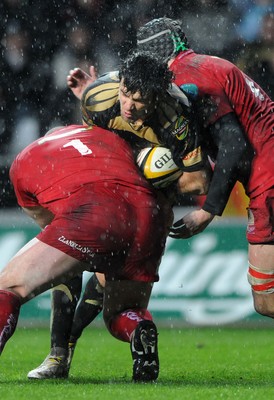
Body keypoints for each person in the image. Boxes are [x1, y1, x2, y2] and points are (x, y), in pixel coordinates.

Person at [27, 50, 212, 379]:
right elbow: (91, 151)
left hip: (149, 205)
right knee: (69, 256)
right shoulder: (98, 98)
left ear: (156, 97)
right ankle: (59, 353)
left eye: (139, 100)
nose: (128, 105)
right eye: (125, 93)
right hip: (105, 191)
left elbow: (197, 181)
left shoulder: (177, 116)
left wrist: (154, 172)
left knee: (106, 290)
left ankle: (61, 354)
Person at [1, 123, 175, 383]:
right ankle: (138, 327)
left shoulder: (25, 160)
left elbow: (53, 231)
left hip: (95, 213)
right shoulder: (102, 137)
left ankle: (58, 354)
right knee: (122, 310)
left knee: (10, 287)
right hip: (153, 215)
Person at [136, 18, 274, 321]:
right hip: (265, 175)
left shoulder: (188, 80)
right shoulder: (201, 66)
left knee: (267, 300)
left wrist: (208, 210)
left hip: (270, 179)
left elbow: (234, 146)